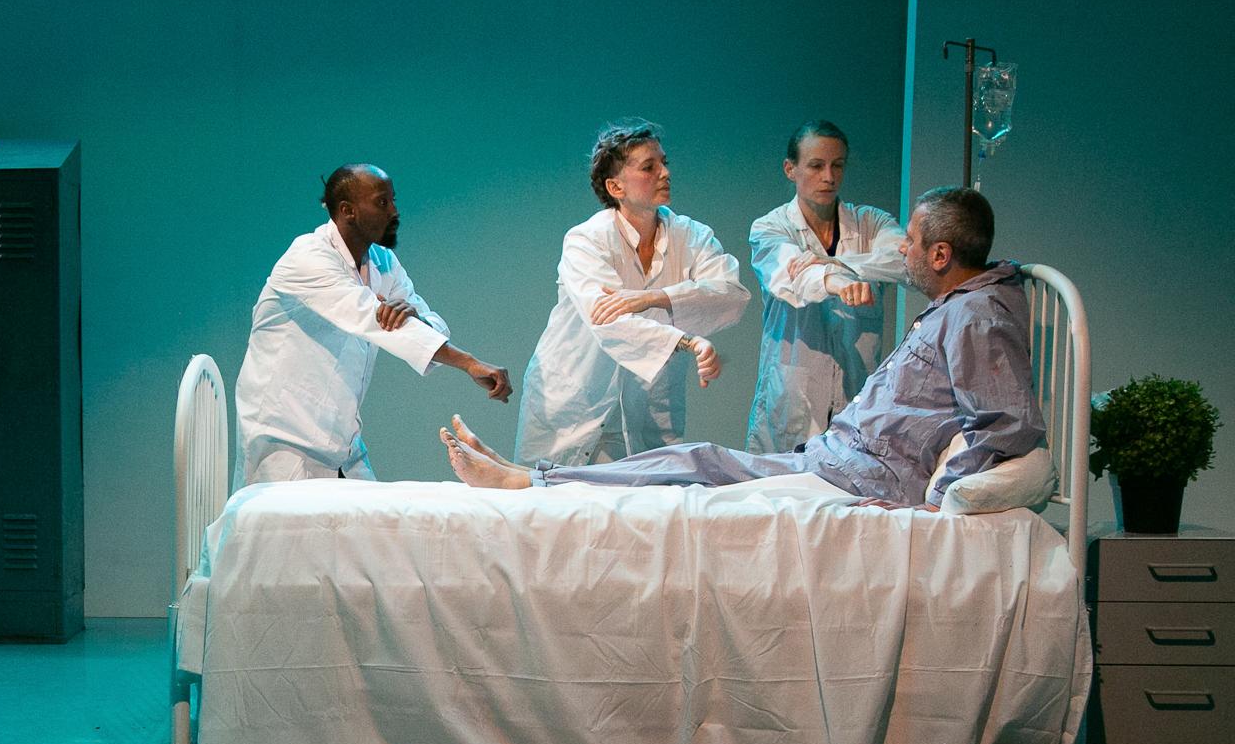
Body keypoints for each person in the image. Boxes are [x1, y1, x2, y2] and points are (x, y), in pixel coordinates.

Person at [444, 187, 1040, 510]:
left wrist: (941, 501)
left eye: (911, 242)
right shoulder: (959, 310)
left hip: (864, 477)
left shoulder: (978, 317)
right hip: (842, 458)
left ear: (940, 256)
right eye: (651, 166)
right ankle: (532, 477)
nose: (901, 252)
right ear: (615, 185)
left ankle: (531, 481)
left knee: (698, 468)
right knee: (699, 462)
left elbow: (1006, 426)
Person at [234, 164, 512, 483]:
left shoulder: (382, 261)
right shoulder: (308, 258)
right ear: (347, 211)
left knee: (370, 529)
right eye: (382, 202)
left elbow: (429, 323)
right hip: (285, 440)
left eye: (393, 200)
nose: (394, 211)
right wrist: (469, 363)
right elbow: (373, 320)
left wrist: (415, 316)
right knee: (290, 534)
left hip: (342, 441)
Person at [514, 120, 749, 465]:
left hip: (648, 405)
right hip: (574, 401)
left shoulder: (691, 236)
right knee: (555, 506)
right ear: (615, 186)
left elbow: (730, 292)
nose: (665, 173)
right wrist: (689, 341)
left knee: (643, 507)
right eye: (649, 167)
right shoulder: (586, 240)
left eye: (664, 162)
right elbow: (607, 319)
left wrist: (655, 297)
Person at [745, 121, 908, 453]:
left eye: (837, 166)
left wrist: (838, 263)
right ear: (790, 169)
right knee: (781, 495)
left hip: (855, 389)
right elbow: (791, 275)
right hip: (794, 394)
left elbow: (904, 261)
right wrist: (833, 280)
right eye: (817, 166)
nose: (829, 177)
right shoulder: (770, 227)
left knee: (848, 494)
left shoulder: (871, 222)